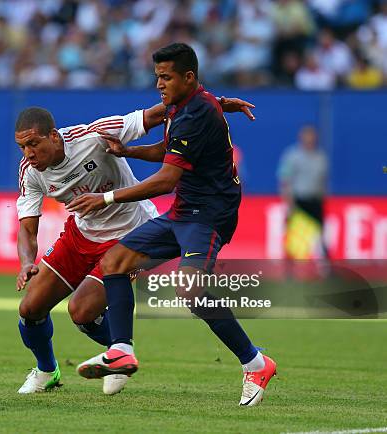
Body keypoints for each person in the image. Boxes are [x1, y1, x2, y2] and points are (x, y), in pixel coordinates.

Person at [66, 43, 276, 406]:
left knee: (189, 291)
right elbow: (169, 150)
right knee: (114, 263)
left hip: (209, 215)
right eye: (157, 77)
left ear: (189, 77)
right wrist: (128, 151)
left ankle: (256, 362)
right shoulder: (185, 105)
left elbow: (165, 179)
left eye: (166, 77)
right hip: (183, 211)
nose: (159, 85)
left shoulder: (195, 113)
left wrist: (105, 198)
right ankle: (120, 350)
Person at [14, 96, 255, 395]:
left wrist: (215, 104)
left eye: (34, 144)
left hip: (129, 233)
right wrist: (26, 262)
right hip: (81, 234)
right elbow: (27, 227)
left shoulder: (94, 136)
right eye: (23, 147)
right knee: (30, 308)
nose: (29, 153)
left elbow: (154, 115)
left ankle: (120, 350)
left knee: (82, 311)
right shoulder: (30, 171)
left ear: (53, 135)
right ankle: (48, 369)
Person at [278, 124, 329, 259]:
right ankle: (291, 270)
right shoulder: (292, 156)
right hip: (298, 201)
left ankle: (324, 268)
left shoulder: (321, 157)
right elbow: (285, 180)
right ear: (301, 137)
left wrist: (322, 199)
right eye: (307, 135)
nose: (309, 139)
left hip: (315, 201)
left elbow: (322, 181)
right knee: (295, 238)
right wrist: (289, 203)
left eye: (312, 136)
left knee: (320, 236)